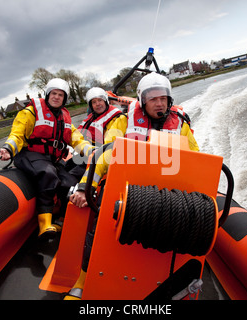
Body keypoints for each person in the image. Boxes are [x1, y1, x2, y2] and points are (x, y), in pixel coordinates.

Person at [64, 72, 199, 300]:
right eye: (153, 99)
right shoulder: (125, 121)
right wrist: (85, 186)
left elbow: (195, 159)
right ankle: (84, 279)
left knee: (183, 222)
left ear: (169, 100)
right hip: (126, 187)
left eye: (163, 98)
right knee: (100, 224)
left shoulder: (180, 125)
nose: (159, 103)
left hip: (166, 190)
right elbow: (105, 155)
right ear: (142, 100)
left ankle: (173, 282)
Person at [0, 78, 95, 240]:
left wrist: (91, 151)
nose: (56, 97)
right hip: (29, 155)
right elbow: (17, 134)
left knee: (70, 183)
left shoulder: (64, 118)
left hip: (50, 159)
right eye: (54, 93)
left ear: (64, 99)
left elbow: (76, 139)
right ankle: (44, 224)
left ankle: (63, 219)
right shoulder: (30, 112)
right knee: (48, 173)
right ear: (48, 95)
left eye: (60, 95)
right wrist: (8, 148)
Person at [66, 87, 125, 181]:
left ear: (105, 101)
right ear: (91, 105)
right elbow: (78, 134)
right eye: (94, 102)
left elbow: (110, 144)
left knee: (72, 175)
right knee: (67, 166)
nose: (97, 104)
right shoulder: (91, 117)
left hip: (99, 155)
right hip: (87, 152)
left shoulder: (117, 118)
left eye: (100, 100)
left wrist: (93, 152)